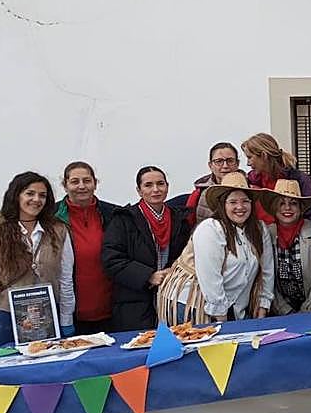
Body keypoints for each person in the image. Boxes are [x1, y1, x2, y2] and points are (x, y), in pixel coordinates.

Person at [0, 172, 76, 346]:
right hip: (6, 317)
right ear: (16, 196)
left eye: (42, 195)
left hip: (48, 316)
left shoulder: (59, 231)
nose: (37, 199)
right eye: (30, 193)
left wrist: (66, 319)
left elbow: (65, 279)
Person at [159, 172, 274, 323]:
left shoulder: (259, 229)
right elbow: (210, 276)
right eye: (233, 202)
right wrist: (221, 315)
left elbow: (267, 269)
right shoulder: (210, 229)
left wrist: (263, 302)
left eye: (245, 201)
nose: (240, 207)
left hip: (233, 304)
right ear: (223, 204)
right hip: (193, 304)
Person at [101, 166, 191, 331]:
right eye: (148, 185)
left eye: (160, 184)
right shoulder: (124, 219)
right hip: (134, 303)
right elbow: (112, 259)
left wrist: (173, 270)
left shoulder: (180, 218)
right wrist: (148, 276)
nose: (155, 189)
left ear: (167, 187)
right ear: (139, 190)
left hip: (172, 299)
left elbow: (187, 254)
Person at [54, 161, 119, 333]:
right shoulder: (51, 217)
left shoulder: (114, 214)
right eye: (75, 181)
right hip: (68, 312)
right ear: (65, 185)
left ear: (95, 183)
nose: (81, 186)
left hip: (111, 308)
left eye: (87, 181)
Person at [257, 179, 311, 314]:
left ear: (301, 208)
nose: (287, 208)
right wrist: (285, 311)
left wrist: (307, 309)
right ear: (274, 208)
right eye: (281, 203)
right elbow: (265, 278)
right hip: (279, 312)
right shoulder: (266, 234)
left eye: (293, 203)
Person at [242, 133, 311, 224]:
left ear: (264, 155)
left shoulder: (299, 179)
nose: (248, 163)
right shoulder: (250, 181)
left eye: (249, 157)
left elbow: (309, 214)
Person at [186, 141, 244, 226]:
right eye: (219, 161)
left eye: (230, 161)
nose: (225, 166)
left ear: (237, 163)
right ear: (210, 165)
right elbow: (190, 225)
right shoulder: (198, 194)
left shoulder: (253, 190)